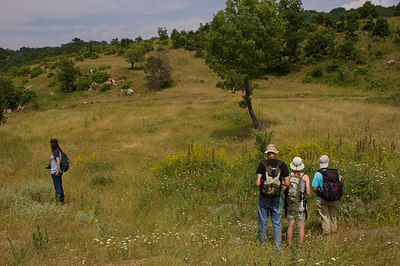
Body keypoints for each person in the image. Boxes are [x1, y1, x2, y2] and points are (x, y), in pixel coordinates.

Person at [256, 144, 289, 250]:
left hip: (264, 196)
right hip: (276, 197)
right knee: (276, 223)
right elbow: (287, 183)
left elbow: (257, 183)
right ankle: (277, 247)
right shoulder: (282, 164)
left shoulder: (262, 164)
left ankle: (261, 245)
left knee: (263, 221)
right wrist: (279, 182)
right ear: (275, 153)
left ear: (267, 154)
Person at [312, 155, 342, 236]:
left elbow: (314, 189)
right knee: (333, 217)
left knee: (325, 218)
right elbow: (339, 184)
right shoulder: (335, 173)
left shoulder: (317, 174)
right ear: (328, 163)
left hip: (321, 199)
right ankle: (334, 234)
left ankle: (327, 234)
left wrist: (321, 192)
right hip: (334, 199)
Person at [285, 157, 310, 245]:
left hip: (290, 203)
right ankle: (300, 245)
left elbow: (285, 190)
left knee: (291, 224)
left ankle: (289, 244)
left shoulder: (288, 176)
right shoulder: (305, 176)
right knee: (301, 226)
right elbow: (309, 192)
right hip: (301, 203)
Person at [48, 139, 64, 204]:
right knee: (59, 185)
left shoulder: (56, 152)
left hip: (55, 172)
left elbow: (58, 161)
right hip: (57, 171)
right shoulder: (58, 151)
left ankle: (58, 201)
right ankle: (61, 200)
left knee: (57, 186)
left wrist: (57, 171)